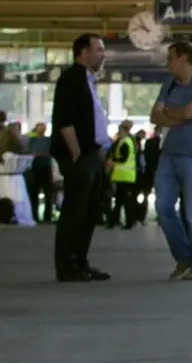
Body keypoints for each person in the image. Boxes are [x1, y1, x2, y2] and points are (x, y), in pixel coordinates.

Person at [150, 41, 192, 280]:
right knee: (163, 208)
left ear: (184, 59)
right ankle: (183, 258)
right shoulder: (168, 85)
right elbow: (154, 116)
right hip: (169, 154)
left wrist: (169, 114)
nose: (167, 62)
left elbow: (189, 114)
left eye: (171, 58)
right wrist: (178, 116)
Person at [49, 34, 111, 282]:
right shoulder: (71, 79)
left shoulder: (89, 80)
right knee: (74, 212)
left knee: (89, 211)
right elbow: (65, 120)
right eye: (99, 49)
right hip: (79, 156)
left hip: (92, 154)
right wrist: (75, 153)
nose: (103, 54)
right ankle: (67, 265)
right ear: (84, 53)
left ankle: (81, 261)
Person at [106, 121, 140, 229]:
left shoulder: (125, 142)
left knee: (123, 201)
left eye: (119, 131)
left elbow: (123, 158)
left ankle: (126, 222)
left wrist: (113, 161)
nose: (118, 133)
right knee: (121, 200)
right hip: (125, 176)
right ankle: (115, 221)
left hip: (124, 175)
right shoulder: (127, 141)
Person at [25, 122, 55, 223]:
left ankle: (47, 216)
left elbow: (48, 152)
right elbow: (30, 152)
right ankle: (34, 215)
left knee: (48, 193)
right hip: (35, 168)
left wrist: (37, 154)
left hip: (45, 167)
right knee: (34, 193)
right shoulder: (32, 140)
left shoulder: (48, 140)